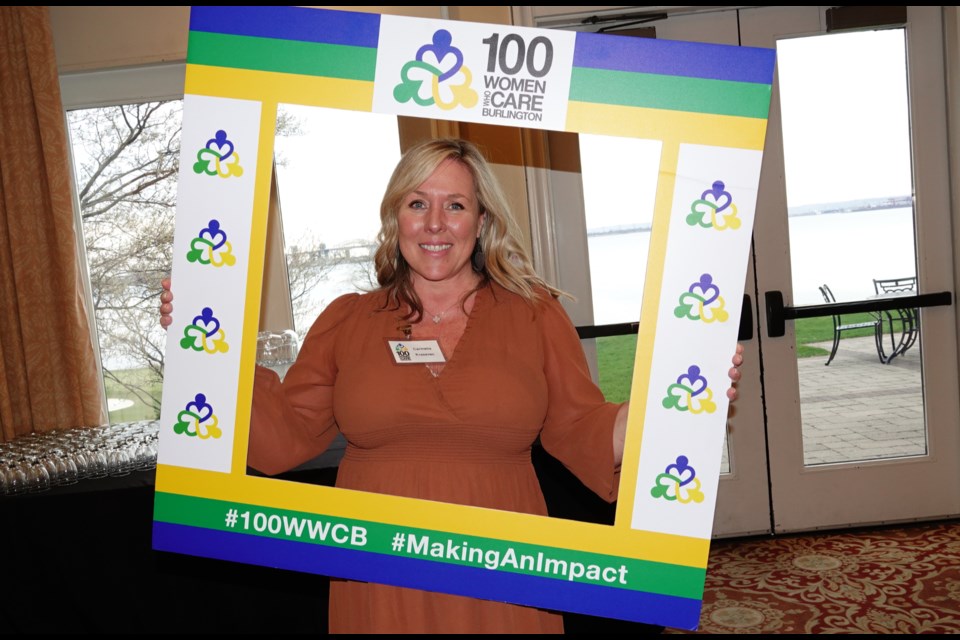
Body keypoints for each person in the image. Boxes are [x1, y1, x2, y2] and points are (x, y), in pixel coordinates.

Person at [160, 138, 744, 634]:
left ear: (482, 220)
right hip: (379, 569)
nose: (435, 223)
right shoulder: (346, 318)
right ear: (396, 218)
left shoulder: (534, 314)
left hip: (503, 564)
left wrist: (678, 404)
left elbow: (582, 428)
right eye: (418, 203)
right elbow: (283, 435)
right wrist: (209, 347)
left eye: (456, 205)